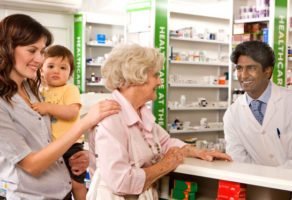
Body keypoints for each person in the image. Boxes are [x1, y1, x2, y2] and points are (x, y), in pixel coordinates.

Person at [87, 44, 232, 199]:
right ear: (136, 77)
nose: (160, 82)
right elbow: (120, 181)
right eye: (155, 75)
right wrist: (164, 166)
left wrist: (198, 152)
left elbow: (163, 143)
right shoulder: (111, 118)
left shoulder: (141, 111)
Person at [0, 14, 120, 199]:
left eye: (42, 51)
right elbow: (32, 165)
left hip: (63, 192)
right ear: (6, 48)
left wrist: (83, 154)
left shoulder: (30, 88)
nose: (40, 59)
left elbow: (46, 141)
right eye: (32, 51)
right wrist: (84, 123)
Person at [224, 40, 292, 169]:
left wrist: (282, 175)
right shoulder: (232, 114)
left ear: (267, 71)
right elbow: (238, 159)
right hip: (258, 185)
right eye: (239, 68)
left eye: (251, 68)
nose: (243, 75)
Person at [31, 45, 87, 200]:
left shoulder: (70, 89)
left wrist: (47, 107)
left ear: (69, 74)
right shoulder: (39, 92)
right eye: (50, 66)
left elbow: (72, 112)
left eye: (63, 68)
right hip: (50, 147)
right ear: (41, 70)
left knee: (76, 183)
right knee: (59, 185)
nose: (56, 71)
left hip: (71, 145)